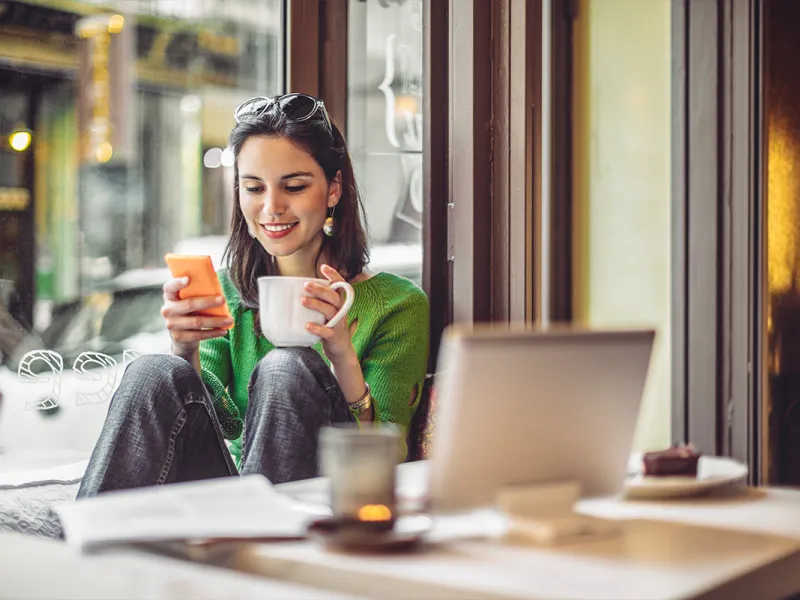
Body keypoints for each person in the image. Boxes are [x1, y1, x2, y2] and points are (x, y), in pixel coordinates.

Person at [77, 94, 429, 497]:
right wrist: (185, 349)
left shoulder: (397, 305)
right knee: (153, 369)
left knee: (286, 366)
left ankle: (264, 543)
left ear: (333, 189)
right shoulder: (229, 289)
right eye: (254, 187)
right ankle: (84, 550)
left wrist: (342, 357)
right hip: (235, 492)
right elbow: (222, 423)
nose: (272, 207)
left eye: (294, 186)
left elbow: (383, 457)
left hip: (323, 495)